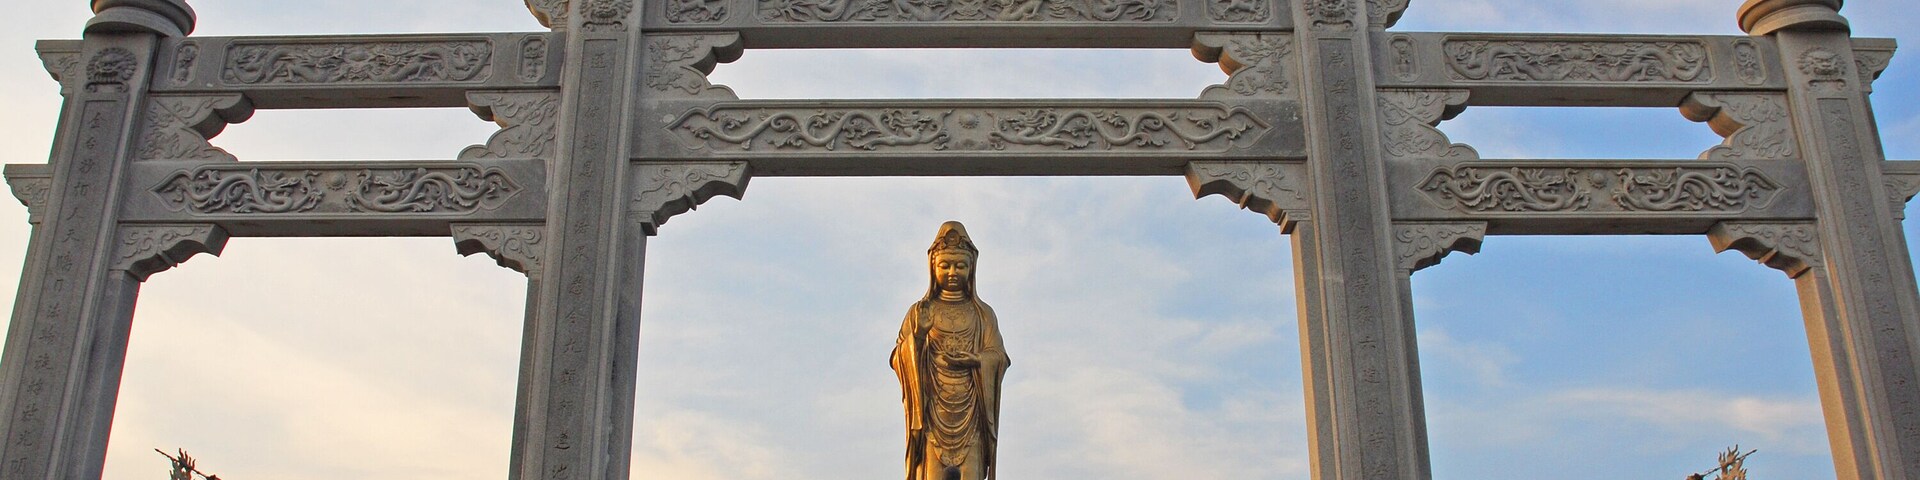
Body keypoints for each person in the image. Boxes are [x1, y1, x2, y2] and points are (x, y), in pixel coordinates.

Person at [892, 221, 1011, 480]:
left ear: (972, 269)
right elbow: (899, 356)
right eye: (944, 265)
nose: (952, 272)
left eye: (960, 265)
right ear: (933, 268)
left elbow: (999, 356)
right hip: (932, 414)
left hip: (972, 415)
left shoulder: (983, 315)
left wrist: (977, 360)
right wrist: (920, 335)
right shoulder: (919, 312)